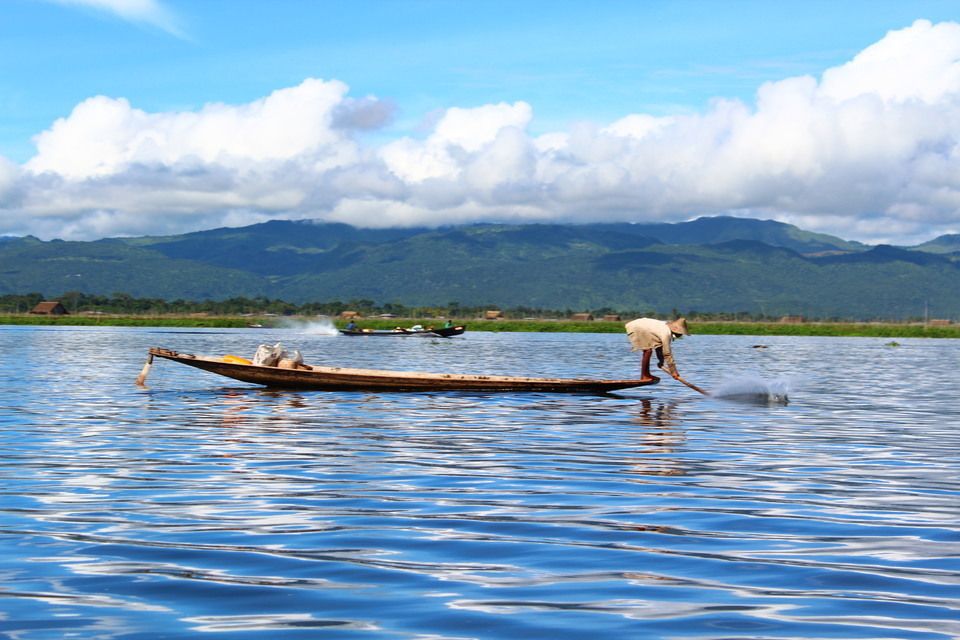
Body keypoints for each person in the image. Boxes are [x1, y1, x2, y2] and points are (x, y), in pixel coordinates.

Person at [624, 317, 690, 383]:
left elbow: (659, 347)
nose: (681, 335)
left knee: (648, 351)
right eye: (681, 333)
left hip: (642, 327)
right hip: (637, 327)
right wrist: (674, 372)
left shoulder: (666, 330)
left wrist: (661, 361)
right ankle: (644, 375)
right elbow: (667, 353)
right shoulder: (666, 333)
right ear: (677, 331)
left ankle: (646, 374)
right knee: (648, 351)